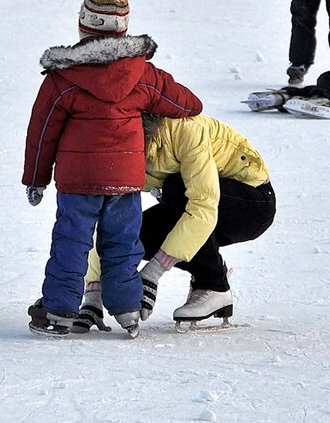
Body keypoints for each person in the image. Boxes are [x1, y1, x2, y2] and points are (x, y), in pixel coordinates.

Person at [22, 0, 203, 338]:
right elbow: (188, 104)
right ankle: (128, 308)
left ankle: (59, 310)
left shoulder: (62, 79)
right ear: (123, 28)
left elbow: (42, 132)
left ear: (83, 25)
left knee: (71, 243)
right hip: (125, 180)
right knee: (121, 244)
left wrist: (36, 178)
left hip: (78, 183)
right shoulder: (142, 74)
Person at [74, 112, 275, 332]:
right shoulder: (118, 153)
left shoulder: (184, 129)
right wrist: (94, 292)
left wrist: (152, 274)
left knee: (176, 188)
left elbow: (203, 206)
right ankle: (209, 268)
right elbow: (110, 221)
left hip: (252, 204)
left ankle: (213, 284)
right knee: (134, 237)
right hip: (191, 205)